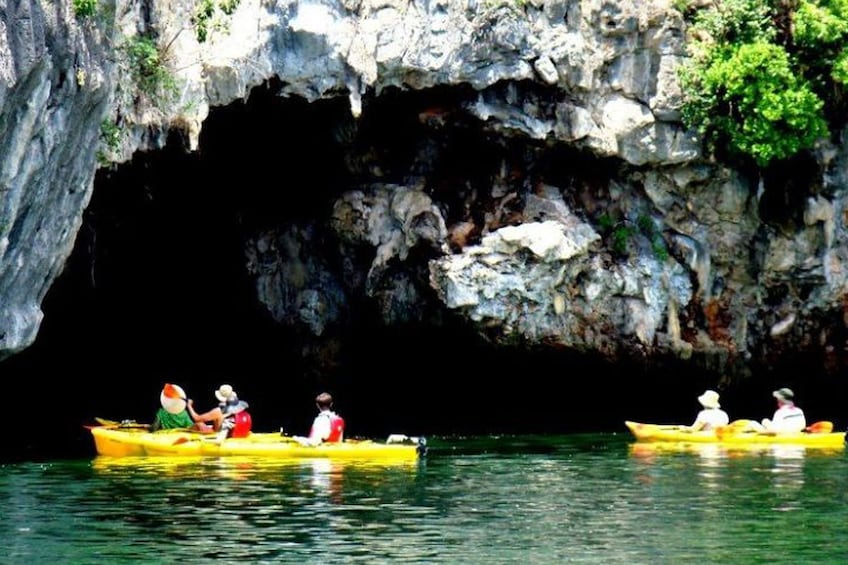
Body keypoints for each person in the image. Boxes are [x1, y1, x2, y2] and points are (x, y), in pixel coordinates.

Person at [187, 384, 252, 438]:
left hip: (219, 435)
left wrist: (189, 405)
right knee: (207, 425)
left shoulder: (218, 411)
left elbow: (197, 418)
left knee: (199, 424)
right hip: (231, 433)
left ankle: (184, 432)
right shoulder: (238, 407)